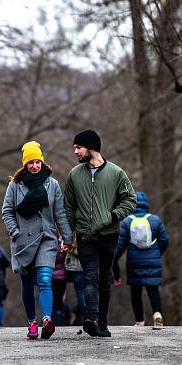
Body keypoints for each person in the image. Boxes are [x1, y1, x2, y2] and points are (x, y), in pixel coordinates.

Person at [64, 129, 136, 338]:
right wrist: (68, 237)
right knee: (90, 277)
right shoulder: (74, 175)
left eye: (79, 147)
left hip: (109, 236)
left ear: (92, 148)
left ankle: (102, 324)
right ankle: (91, 318)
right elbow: (68, 207)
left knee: (104, 279)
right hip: (85, 236)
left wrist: (112, 216)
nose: (75, 151)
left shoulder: (116, 173)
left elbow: (130, 200)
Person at [2, 140, 73, 340]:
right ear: (25, 164)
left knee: (44, 279)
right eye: (30, 162)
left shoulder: (52, 185)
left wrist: (67, 237)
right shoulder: (15, 185)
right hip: (23, 241)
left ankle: (47, 320)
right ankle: (32, 322)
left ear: (42, 162)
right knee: (26, 284)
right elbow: (7, 211)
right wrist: (15, 232)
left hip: (47, 239)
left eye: (37, 162)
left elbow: (60, 213)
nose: (34, 166)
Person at [113, 191, 170, 329]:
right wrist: (157, 253)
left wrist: (113, 262)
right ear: (146, 205)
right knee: (153, 290)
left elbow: (119, 246)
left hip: (134, 262)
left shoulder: (127, 222)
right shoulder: (155, 220)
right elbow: (165, 240)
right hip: (153, 260)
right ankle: (157, 314)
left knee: (136, 292)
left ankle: (139, 321)